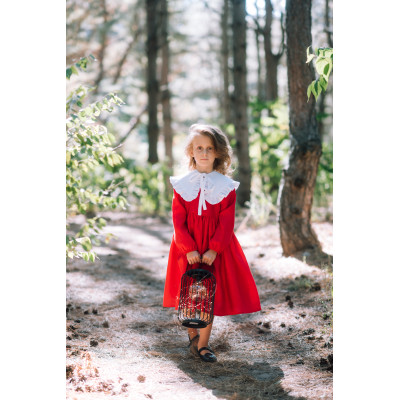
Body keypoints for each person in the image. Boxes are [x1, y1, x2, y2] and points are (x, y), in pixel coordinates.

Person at [163, 124, 261, 363]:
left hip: (214, 249)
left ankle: (204, 345)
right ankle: (193, 336)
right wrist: (188, 249)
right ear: (191, 152)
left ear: (217, 152)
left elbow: (227, 221)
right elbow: (178, 220)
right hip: (188, 247)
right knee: (189, 292)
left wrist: (215, 249)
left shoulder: (226, 186)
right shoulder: (182, 185)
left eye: (209, 148)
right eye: (199, 147)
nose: (204, 152)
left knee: (209, 294)